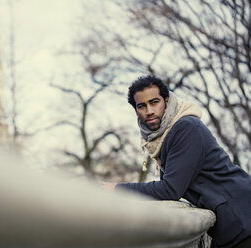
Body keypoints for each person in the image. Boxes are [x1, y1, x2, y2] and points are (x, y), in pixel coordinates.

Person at [103, 75, 251, 248]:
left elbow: (170, 189)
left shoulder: (186, 127)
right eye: (141, 106)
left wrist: (117, 188)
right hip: (232, 222)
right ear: (136, 110)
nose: (149, 110)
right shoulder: (162, 138)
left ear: (166, 101)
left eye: (154, 102)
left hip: (242, 218)